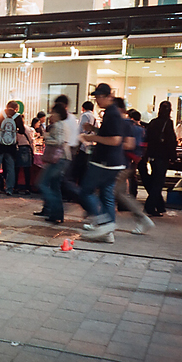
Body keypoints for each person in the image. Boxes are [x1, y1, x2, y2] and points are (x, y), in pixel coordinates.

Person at [78, 84, 125, 243]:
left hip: (104, 162)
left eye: (99, 97)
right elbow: (109, 134)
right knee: (106, 195)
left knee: (85, 191)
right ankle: (108, 231)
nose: (97, 100)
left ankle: (103, 222)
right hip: (114, 162)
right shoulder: (111, 113)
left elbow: (115, 139)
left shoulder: (112, 113)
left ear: (107, 96)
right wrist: (94, 129)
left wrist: (91, 138)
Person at [112, 100, 155, 234]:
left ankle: (101, 222)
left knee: (112, 192)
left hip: (118, 163)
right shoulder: (139, 128)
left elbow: (126, 144)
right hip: (127, 163)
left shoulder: (123, 125)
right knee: (119, 193)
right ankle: (142, 219)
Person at [142, 101, 177, 217]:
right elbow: (171, 141)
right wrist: (173, 156)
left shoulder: (153, 122)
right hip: (163, 155)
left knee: (155, 180)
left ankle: (160, 206)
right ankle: (150, 206)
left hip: (152, 155)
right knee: (158, 181)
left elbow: (147, 138)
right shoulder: (168, 123)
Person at [37, 103, 71, 223]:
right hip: (63, 158)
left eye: (53, 113)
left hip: (58, 159)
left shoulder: (57, 126)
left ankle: (54, 208)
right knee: (55, 187)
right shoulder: (64, 125)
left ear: (57, 114)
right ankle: (56, 215)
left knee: (43, 184)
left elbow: (58, 141)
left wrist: (46, 137)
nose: (51, 115)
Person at [0, 100, 24, 196]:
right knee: (10, 168)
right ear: (16, 108)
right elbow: (22, 131)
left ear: (6, 106)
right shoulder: (17, 117)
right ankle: (9, 189)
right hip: (11, 147)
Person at [72, 101, 97, 186]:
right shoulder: (94, 117)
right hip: (90, 145)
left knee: (77, 169)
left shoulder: (84, 115)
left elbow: (80, 130)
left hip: (82, 145)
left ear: (83, 108)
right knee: (85, 168)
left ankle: (76, 190)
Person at [15, 114, 35, 195]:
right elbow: (31, 141)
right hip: (26, 149)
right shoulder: (28, 129)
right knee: (27, 170)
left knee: (16, 170)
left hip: (17, 148)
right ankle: (27, 187)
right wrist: (33, 151)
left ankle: (15, 187)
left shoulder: (15, 129)